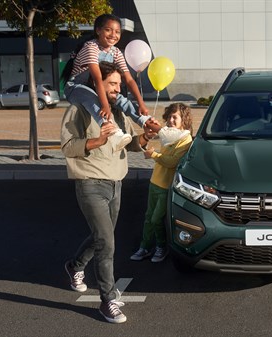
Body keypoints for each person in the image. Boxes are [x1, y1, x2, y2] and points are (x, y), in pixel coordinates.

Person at [61, 62, 157, 324]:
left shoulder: (117, 112)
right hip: (90, 182)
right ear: (96, 84)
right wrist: (98, 140)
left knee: (102, 237)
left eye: (118, 84)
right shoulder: (79, 108)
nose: (117, 88)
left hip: (116, 182)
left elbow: (131, 144)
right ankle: (108, 300)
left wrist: (145, 137)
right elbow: (68, 147)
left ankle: (74, 266)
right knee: (107, 243)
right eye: (112, 84)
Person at [61, 13, 152, 151]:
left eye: (117, 32)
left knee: (120, 99)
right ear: (98, 30)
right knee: (92, 98)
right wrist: (105, 105)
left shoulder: (116, 52)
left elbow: (129, 79)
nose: (113, 35)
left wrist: (141, 104)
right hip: (77, 87)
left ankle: (144, 120)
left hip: (98, 88)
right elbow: (97, 78)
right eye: (108, 30)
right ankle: (112, 130)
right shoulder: (91, 47)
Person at [130, 103, 194, 262]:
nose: (171, 120)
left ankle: (161, 247)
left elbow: (172, 162)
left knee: (156, 219)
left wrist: (154, 155)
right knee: (148, 217)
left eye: (175, 117)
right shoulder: (168, 135)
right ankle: (144, 247)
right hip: (155, 181)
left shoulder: (185, 139)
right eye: (169, 117)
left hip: (167, 186)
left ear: (184, 120)